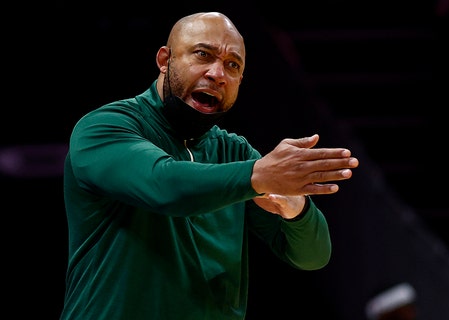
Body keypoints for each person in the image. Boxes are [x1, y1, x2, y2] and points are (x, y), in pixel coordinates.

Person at [60, 11, 359, 320]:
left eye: (233, 65)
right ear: (165, 60)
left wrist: (297, 208)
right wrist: (257, 175)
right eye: (203, 55)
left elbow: (313, 256)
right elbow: (166, 186)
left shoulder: (234, 152)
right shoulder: (105, 128)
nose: (218, 74)